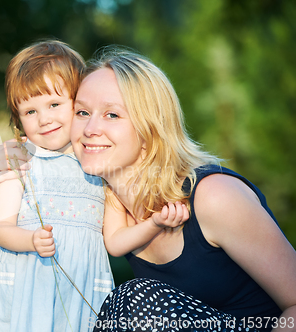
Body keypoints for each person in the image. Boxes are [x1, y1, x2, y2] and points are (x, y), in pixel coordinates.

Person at [67, 47, 296, 331]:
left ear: (151, 129)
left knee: (135, 300)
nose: (89, 128)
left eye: (112, 115)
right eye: (82, 112)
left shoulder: (213, 196)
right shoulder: (105, 203)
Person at [0, 40, 116, 332]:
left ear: (79, 103)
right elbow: (1, 229)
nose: (44, 119)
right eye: (30, 112)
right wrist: (31, 241)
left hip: (82, 289)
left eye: (54, 104)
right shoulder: (21, 160)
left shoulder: (98, 161)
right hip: (31, 286)